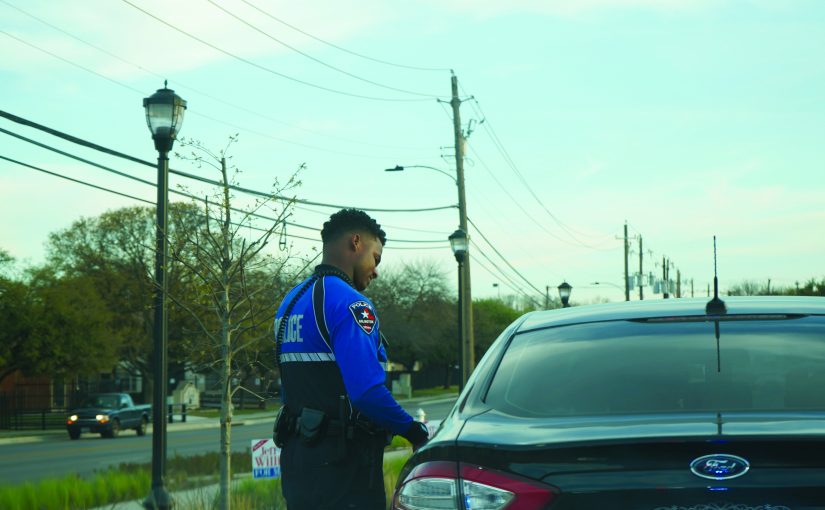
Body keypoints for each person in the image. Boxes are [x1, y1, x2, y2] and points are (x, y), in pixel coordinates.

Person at [273, 208, 429, 510]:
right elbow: (366, 393)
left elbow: (290, 389)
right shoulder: (351, 304)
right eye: (376, 257)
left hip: (297, 464)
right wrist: (414, 431)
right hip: (343, 468)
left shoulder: (290, 302)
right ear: (356, 242)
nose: (376, 270)